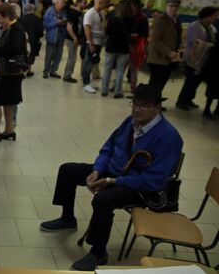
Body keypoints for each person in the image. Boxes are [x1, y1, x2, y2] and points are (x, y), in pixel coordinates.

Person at [40, 84, 183, 271]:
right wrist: (97, 171)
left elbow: (154, 180)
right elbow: (108, 148)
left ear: (157, 108)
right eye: (135, 104)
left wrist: (113, 182)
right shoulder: (130, 122)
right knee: (67, 170)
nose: (137, 109)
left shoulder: (168, 136)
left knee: (103, 200)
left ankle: (98, 252)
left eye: (144, 105)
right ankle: (68, 218)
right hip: (115, 172)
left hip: (140, 187)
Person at [0, 3, 27, 143]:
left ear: (8, 16)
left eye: (0, 18)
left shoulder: (16, 30)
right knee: (8, 103)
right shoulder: (7, 28)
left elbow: (15, 50)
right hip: (5, 72)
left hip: (8, 73)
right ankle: (9, 130)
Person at [176, 6, 218, 111]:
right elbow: (192, 42)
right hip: (193, 58)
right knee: (190, 81)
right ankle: (181, 101)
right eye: (214, 15)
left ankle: (189, 99)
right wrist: (207, 45)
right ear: (207, 15)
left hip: (204, 60)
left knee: (197, 81)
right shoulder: (195, 26)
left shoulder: (212, 28)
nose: (216, 18)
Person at [146, 0, 183, 108]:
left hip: (168, 59)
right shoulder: (161, 19)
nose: (173, 8)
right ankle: (149, 104)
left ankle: (155, 103)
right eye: (171, 6)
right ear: (166, 6)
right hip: (158, 57)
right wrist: (169, 52)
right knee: (155, 84)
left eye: (176, 6)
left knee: (161, 83)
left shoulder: (176, 20)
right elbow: (154, 40)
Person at [101, 0, 133, 98]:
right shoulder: (131, 18)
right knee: (120, 70)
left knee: (107, 68)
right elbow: (131, 33)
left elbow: (107, 31)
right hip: (124, 47)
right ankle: (117, 91)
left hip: (111, 46)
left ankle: (104, 89)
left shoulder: (112, 17)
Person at [82, 0, 109, 94]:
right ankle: (85, 84)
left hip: (99, 42)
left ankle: (88, 82)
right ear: (99, 2)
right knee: (88, 63)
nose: (106, 5)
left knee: (93, 62)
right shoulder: (90, 13)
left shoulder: (99, 13)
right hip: (93, 42)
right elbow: (87, 30)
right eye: (105, 2)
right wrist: (91, 43)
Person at [42, 0, 68, 79]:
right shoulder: (49, 11)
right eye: (62, 3)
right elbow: (46, 25)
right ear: (56, 3)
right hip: (52, 37)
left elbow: (65, 20)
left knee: (58, 56)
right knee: (49, 55)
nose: (63, 5)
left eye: (64, 3)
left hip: (61, 37)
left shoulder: (63, 11)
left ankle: (53, 71)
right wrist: (57, 22)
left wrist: (64, 21)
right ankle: (46, 71)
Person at [63, 0, 87, 83]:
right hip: (70, 38)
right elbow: (69, 27)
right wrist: (74, 38)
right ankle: (67, 76)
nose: (85, 4)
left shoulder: (80, 13)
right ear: (78, 3)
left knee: (73, 57)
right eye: (84, 2)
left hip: (75, 38)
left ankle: (68, 74)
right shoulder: (73, 13)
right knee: (72, 57)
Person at [128, 0, 149, 94]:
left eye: (131, 6)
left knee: (133, 67)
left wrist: (135, 34)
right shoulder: (128, 16)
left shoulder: (142, 18)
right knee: (121, 66)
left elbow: (144, 32)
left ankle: (133, 86)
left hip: (135, 45)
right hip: (126, 43)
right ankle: (116, 84)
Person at [21, 3, 44, 77]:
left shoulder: (22, 18)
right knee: (32, 55)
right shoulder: (37, 18)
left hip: (23, 40)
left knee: (23, 54)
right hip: (34, 40)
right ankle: (29, 70)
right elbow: (40, 30)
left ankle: (22, 70)